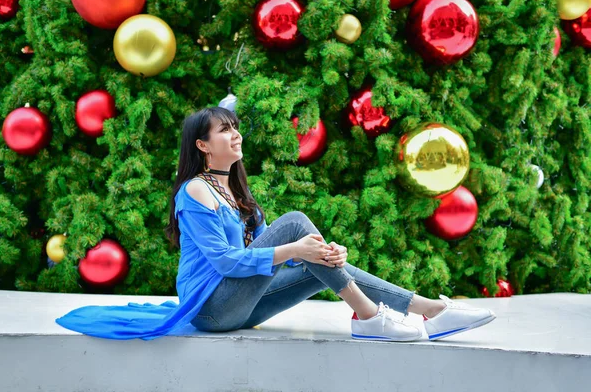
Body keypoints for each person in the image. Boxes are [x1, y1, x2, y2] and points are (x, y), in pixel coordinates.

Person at [55, 107, 495, 341]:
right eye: (224, 130)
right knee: (295, 224)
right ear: (203, 145)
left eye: (235, 128)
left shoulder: (238, 194)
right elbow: (229, 263)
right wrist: (296, 248)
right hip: (211, 309)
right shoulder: (194, 191)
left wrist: (324, 257)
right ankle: (368, 316)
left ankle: (429, 311)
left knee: (314, 256)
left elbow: (266, 260)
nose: (235, 135)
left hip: (241, 310)